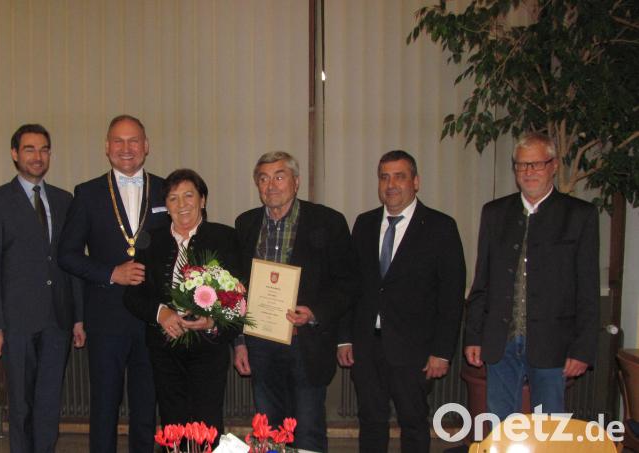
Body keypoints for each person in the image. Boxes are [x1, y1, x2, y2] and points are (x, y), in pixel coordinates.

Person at [464, 132, 599, 421]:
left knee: (549, 429)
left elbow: (588, 288)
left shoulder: (579, 215)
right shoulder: (495, 213)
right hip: (501, 342)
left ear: (553, 166)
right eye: (522, 165)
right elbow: (482, 280)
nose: (529, 172)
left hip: (553, 344)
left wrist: (582, 349)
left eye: (537, 164)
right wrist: (473, 336)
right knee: (502, 428)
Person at [337, 150, 466, 452]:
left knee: (413, 422)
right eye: (384, 177)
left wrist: (442, 352)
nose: (391, 184)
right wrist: (344, 338)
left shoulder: (440, 226)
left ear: (416, 182)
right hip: (367, 346)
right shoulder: (364, 224)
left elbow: (451, 295)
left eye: (399, 177)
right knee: (370, 421)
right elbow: (350, 286)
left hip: (414, 349)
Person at [232, 151, 356, 452]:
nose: (271, 185)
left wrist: (314, 312)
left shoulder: (328, 221)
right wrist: (239, 342)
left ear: (296, 182)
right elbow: (236, 289)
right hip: (260, 343)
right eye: (263, 179)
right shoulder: (246, 224)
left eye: (279, 176)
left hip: (306, 342)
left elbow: (348, 283)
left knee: (308, 429)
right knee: (268, 429)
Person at [58, 115, 169, 452]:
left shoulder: (167, 190)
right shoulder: (87, 193)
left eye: (133, 140)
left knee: (146, 406)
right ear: (107, 147)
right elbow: (67, 254)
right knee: (104, 406)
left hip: (153, 316)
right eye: (118, 141)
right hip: (106, 317)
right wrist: (111, 273)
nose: (126, 148)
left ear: (146, 146)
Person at [0, 124, 86, 453]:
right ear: (15, 154)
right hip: (16, 322)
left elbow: (72, 262)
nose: (37, 156)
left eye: (43, 149)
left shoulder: (64, 200)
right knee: (21, 405)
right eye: (29, 149)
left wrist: (78, 317)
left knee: (49, 403)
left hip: (57, 320)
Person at [124, 168, 240, 438]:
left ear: (203, 200)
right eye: (173, 198)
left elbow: (239, 295)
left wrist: (212, 321)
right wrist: (160, 313)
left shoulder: (225, 237)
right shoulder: (151, 240)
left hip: (208, 349)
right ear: (166, 206)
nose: (182, 204)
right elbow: (132, 296)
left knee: (207, 425)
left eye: (189, 195)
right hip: (165, 351)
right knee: (173, 424)